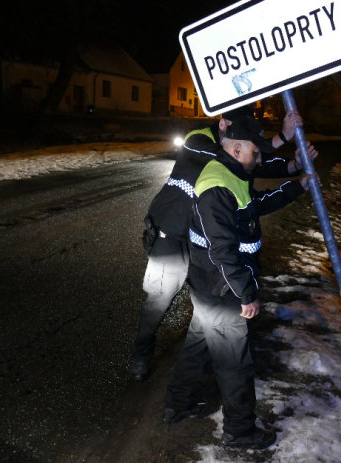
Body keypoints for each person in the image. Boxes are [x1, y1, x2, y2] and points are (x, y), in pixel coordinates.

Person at [163, 115, 315, 449]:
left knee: (197, 346)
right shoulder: (218, 185)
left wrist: (296, 185)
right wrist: (247, 295)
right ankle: (239, 432)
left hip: (209, 286)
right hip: (222, 288)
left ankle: (177, 404)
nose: (259, 159)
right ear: (235, 147)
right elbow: (224, 254)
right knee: (235, 363)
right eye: (255, 153)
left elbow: (254, 207)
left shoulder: (233, 173)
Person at [131, 105, 314, 381]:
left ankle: (186, 385)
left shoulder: (235, 156)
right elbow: (235, 154)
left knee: (205, 308)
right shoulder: (198, 141)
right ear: (223, 123)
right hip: (172, 235)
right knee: (160, 300)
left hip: (202, 239)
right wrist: (282, 139)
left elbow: (252, 162)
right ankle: (141, 354)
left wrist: (293, 166)